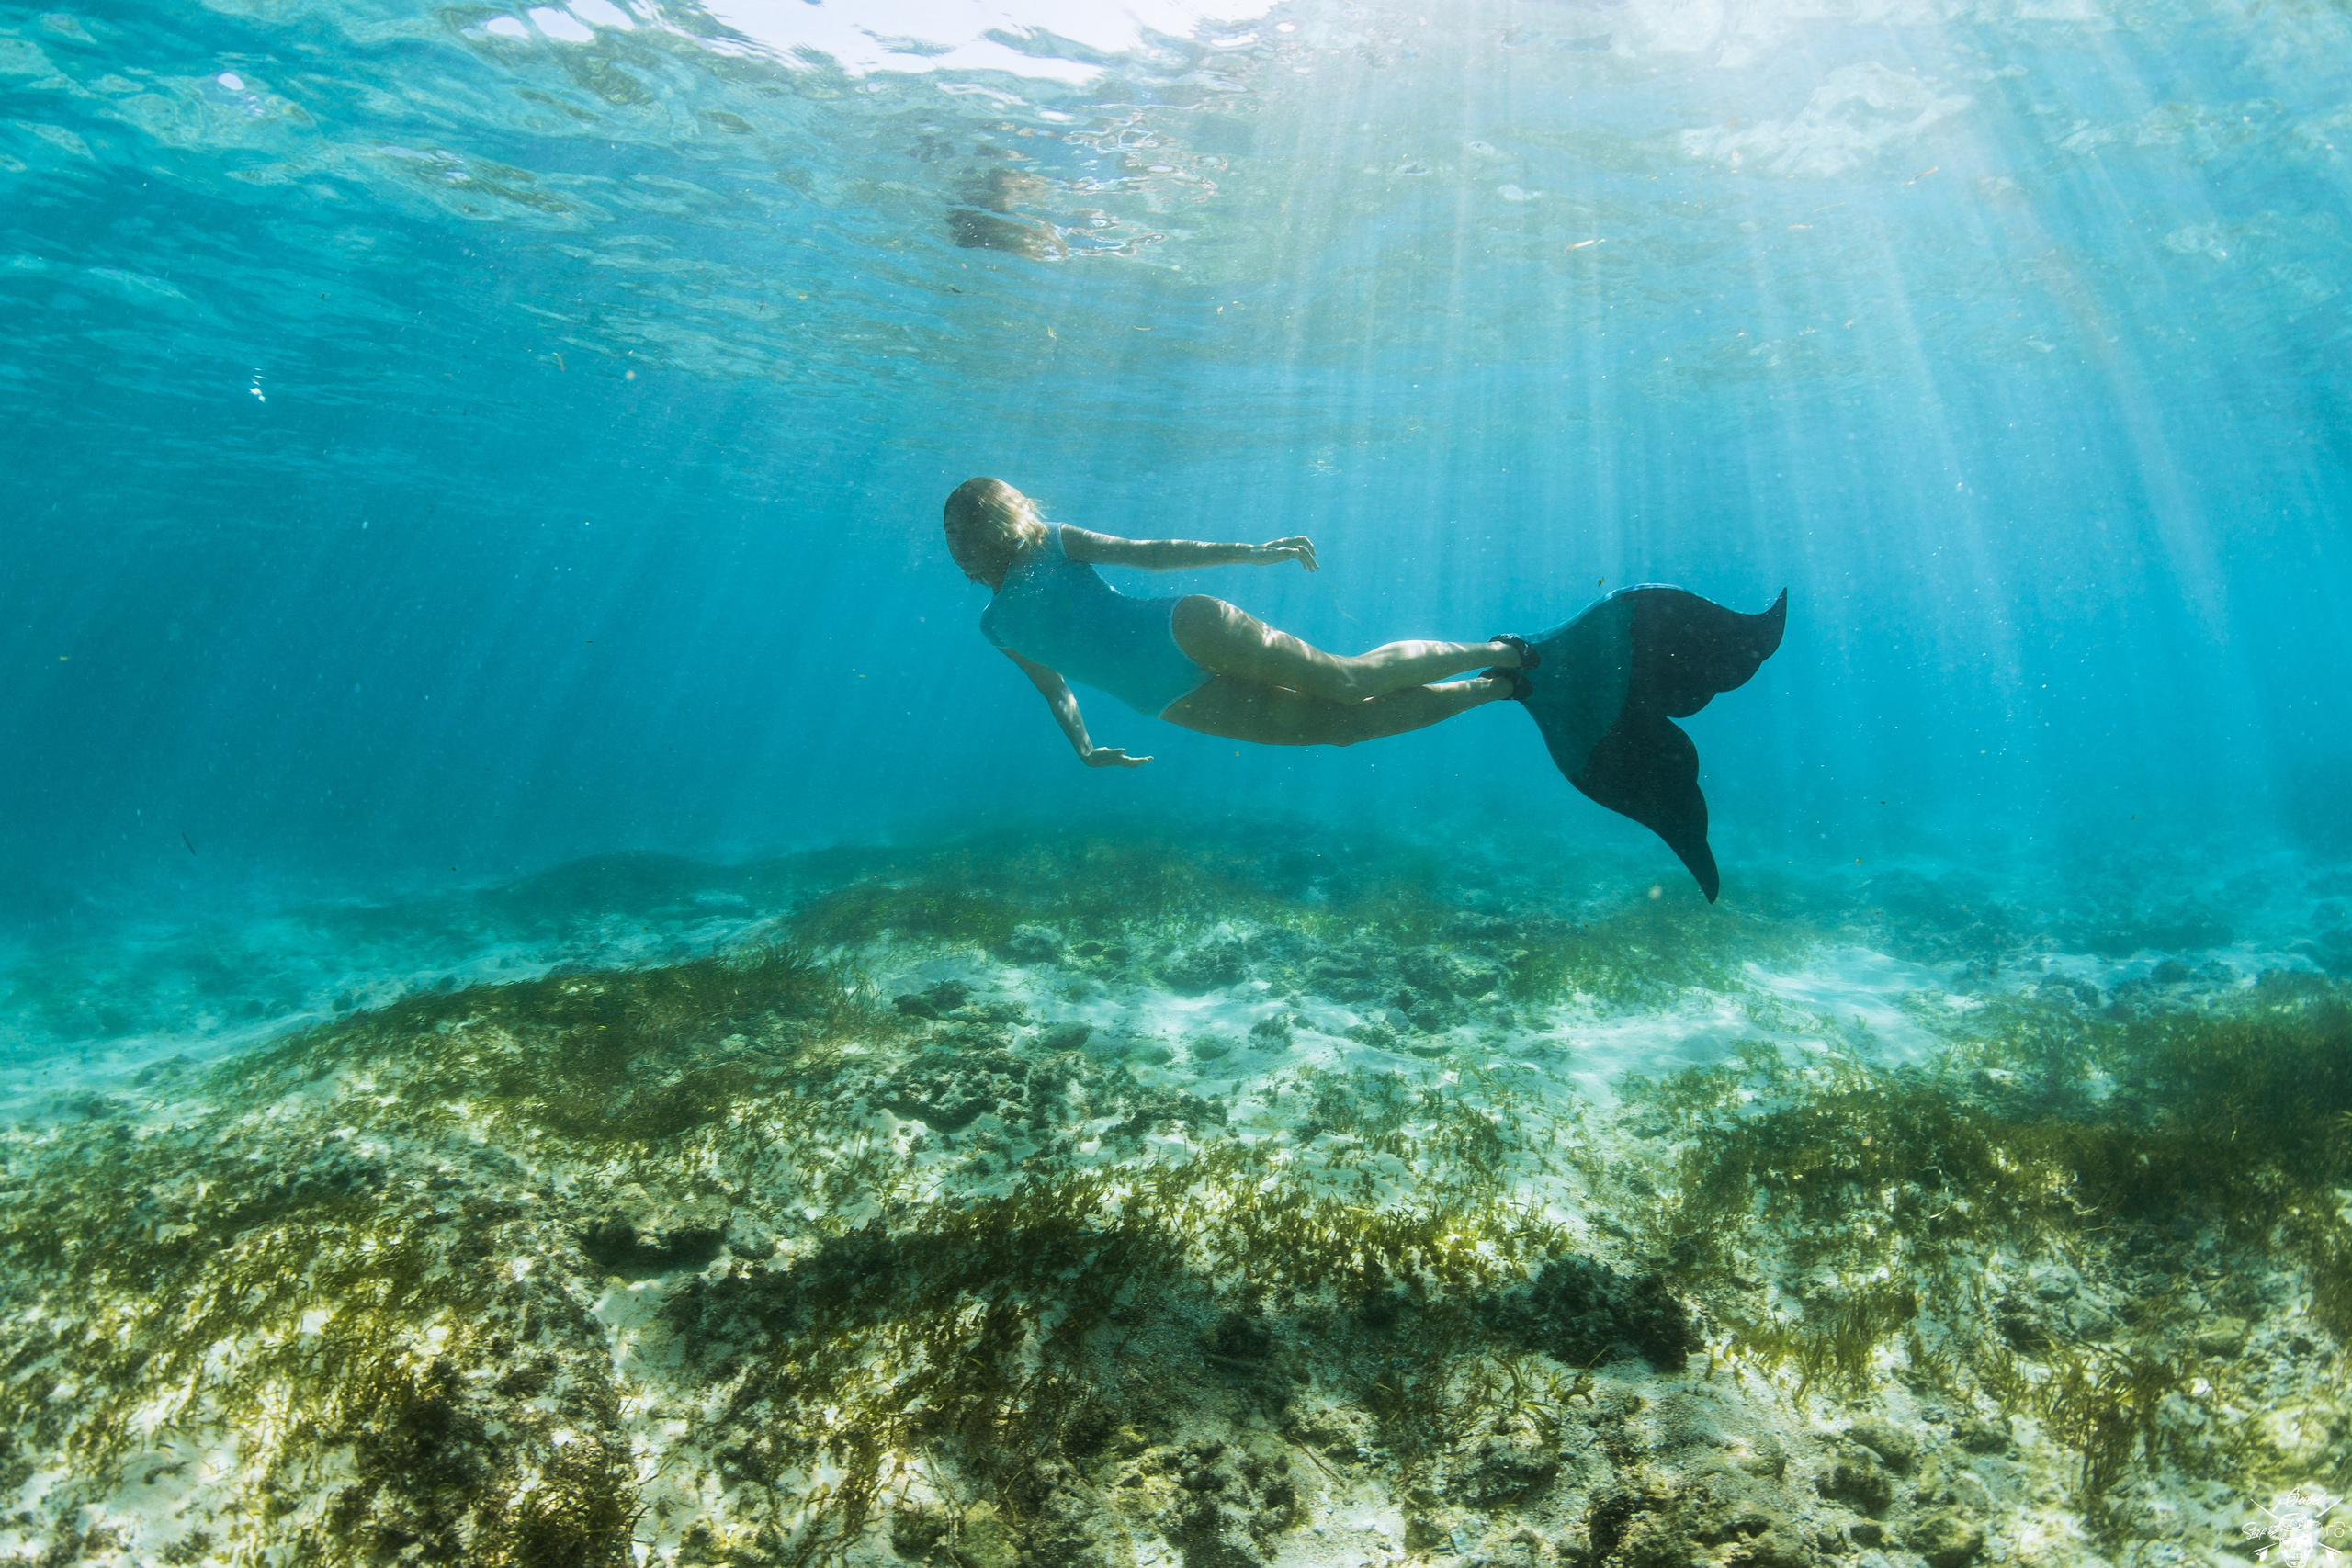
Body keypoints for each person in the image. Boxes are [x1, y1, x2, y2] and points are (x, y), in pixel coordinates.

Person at [944, 477, 1535, 768]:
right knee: (1344, 727)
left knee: (1349, 681)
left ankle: (1503, 652)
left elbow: (1150, 554)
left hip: (1185, 628)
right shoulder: (995, 627)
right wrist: (1085, 749)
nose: (961, 541)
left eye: (964, 528)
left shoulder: (1052, 543)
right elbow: (1054, 689)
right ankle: (1496, 689)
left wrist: (1249, 552)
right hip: (1166, 698)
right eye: (954, 533)